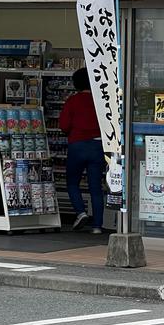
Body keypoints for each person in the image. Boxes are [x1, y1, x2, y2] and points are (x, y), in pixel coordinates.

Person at [59, 68, 105, 234]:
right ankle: (97, 226)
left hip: (77, 145)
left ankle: (81, 212)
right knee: (96, 187)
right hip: (98, 146)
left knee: (72, 182)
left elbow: (64, 125)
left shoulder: (73, 101)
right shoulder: (100, 100)